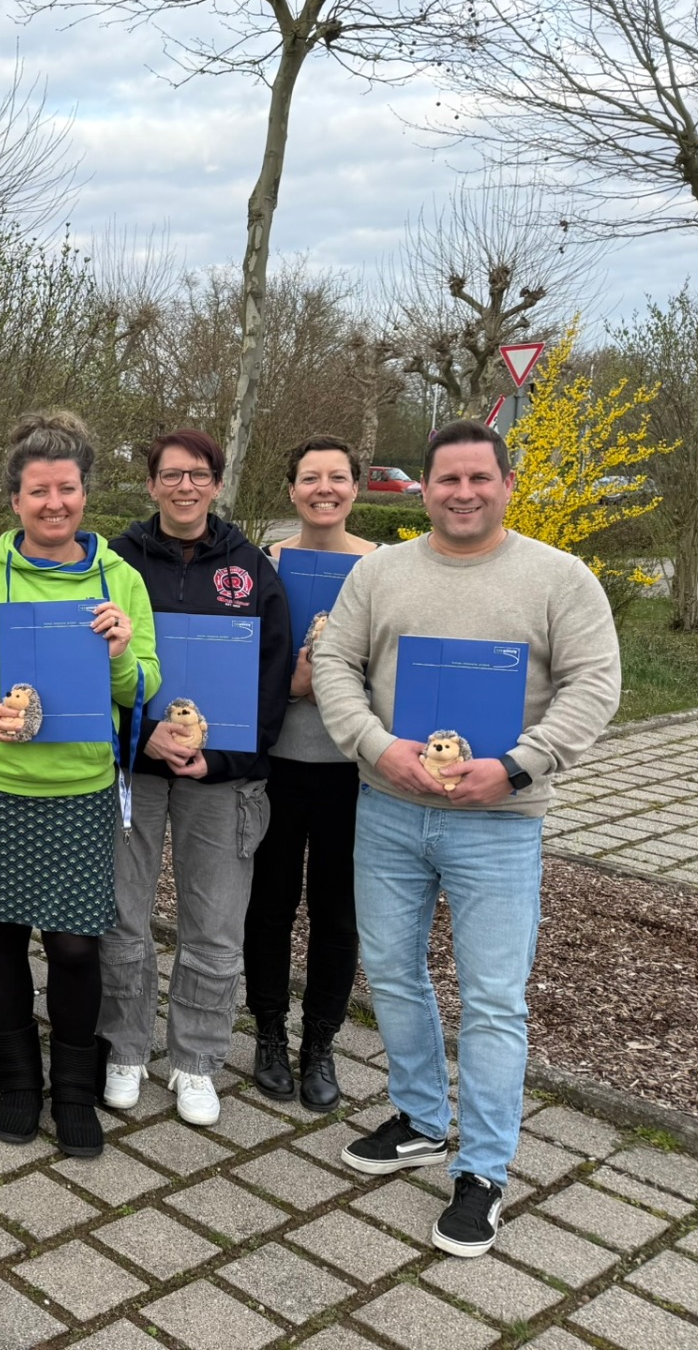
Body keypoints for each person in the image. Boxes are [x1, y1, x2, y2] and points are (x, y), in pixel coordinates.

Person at [314, 419, 620, 1258]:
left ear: (506, 484)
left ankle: (483, 1171)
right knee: (393, 973)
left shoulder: (559, 579)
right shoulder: (380, 574)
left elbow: (597, 684)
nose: (462, 493)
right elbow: (336, 665)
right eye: (446, 479)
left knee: (491, 999)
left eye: (479, 478)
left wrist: (518, 767)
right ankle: (418, 1118)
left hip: (500, 823)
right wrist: (378, 748)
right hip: (388, 809)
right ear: (424, 488)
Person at [0, 412, 159, 1155]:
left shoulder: (121, 580)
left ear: (86, 493)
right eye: (38, 492)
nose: (54, 504)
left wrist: (120, 651)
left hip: (77, 788)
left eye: (68, 490)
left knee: (77, 948)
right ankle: (19, 1080)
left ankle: (76, 1089)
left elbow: (142, 686)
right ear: (14, 500)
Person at [103, 429, 292, 1129]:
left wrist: (226, 759)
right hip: (134, 768)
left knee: (212, 925)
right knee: (122, 914)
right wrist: (135, 736)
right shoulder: (116, 561)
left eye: (199, 475)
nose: (185, 486)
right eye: (171, 475)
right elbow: (94, 664)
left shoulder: (251, 571)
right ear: (151, 484)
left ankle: (197, 1060)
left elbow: (272, 683)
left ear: (217, 484)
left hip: (222, 779)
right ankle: (124, 1048)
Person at [246, 435, 378, 1109]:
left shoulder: (385, 569)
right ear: (292, 490)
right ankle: (268, 1030)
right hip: (276, 766)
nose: (324, 489)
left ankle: (319, 1042)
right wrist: (290, 682)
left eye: (338, 478)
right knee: (268, 906)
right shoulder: (262, 566)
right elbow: (240, 663)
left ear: (355, 488)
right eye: (309, 478)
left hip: (353, 772)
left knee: (337, 911)